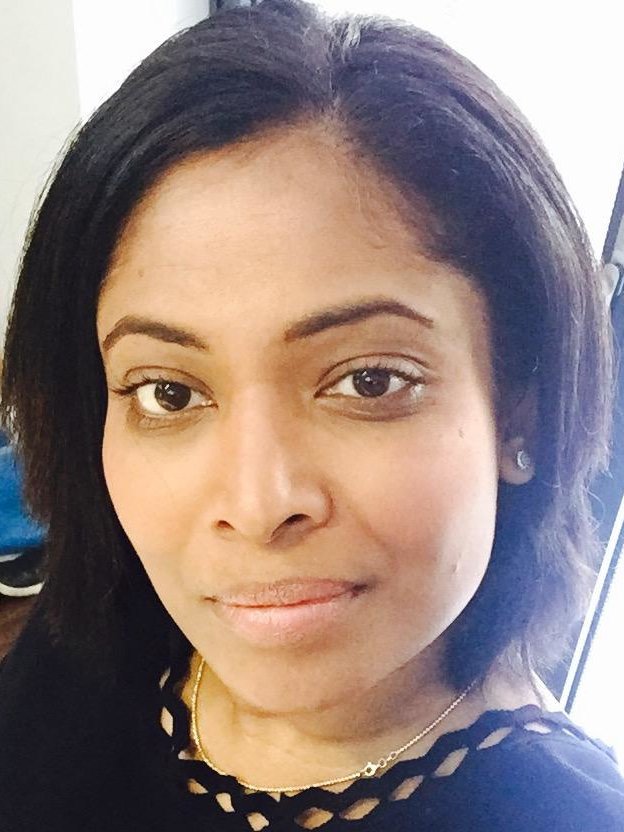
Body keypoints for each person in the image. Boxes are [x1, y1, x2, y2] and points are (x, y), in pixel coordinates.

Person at [0, 0, 623, 829]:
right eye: (169, 393)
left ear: (522, 416)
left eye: (369, 381)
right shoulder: (94, 634)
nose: (258, 506)